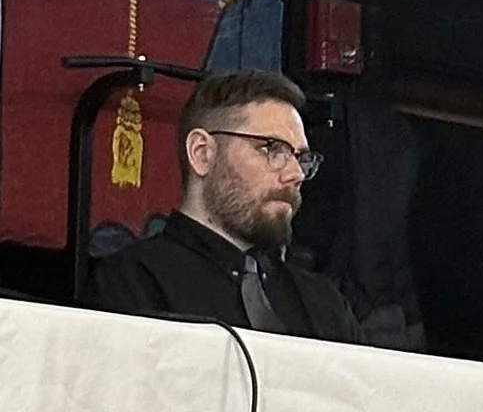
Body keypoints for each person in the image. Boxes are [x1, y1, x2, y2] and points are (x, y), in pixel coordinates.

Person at [81, 69, 357, 339]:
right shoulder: (133, 285)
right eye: (272, 148)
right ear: (202, 153)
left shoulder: (325, 305)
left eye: (301, 158)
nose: (295, 173)